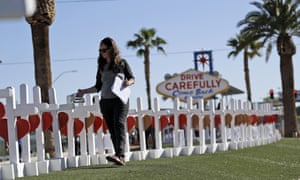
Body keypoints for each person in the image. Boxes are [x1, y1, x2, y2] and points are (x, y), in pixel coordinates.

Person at [77, 37, 135, 166]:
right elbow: (98, 86)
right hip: (106, 102)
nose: (101, 53)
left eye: (104, 50)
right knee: (112, 128)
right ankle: (119, 155)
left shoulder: (122, 63)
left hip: (120, 100)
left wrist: (128, 82)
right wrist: (83, 92)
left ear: (111, 49)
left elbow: (132, 78)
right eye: (100, 50)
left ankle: (120, 155)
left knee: (119, 123)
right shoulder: (101, 66)